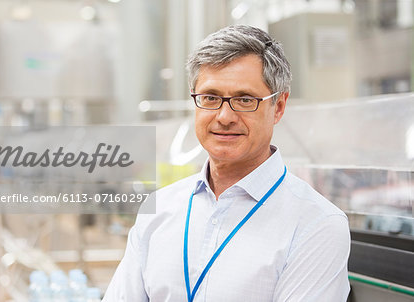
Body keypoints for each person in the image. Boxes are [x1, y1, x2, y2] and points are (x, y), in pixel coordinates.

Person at [103, 25, 350, 302]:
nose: (224, 116)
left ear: (278, 107)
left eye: (245, 100)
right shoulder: (159, 209)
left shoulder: (316, 224)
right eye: (210, 97)